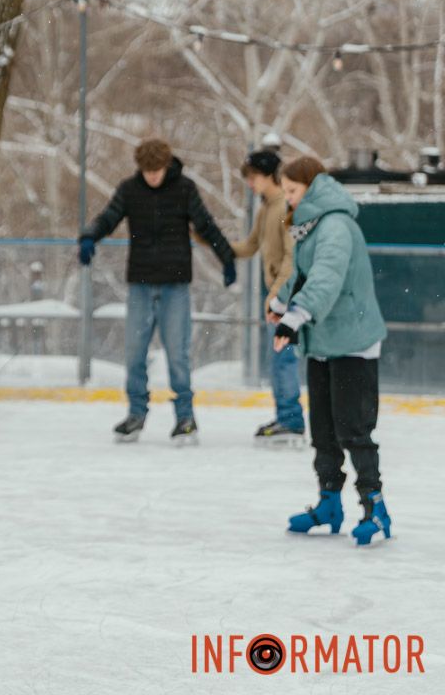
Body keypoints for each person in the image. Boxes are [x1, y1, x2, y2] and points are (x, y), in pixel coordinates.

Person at [78, 137, 236, 445]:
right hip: (140, 282)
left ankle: (185, 417)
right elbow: (109, 217)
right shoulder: (129, 189)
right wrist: (90, 237)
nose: (152, 176)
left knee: (178, 354)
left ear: (166, 165)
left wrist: (226, 258)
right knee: (134, 352)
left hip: (175, 284)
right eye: (147, 171)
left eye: (157, 170)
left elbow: (206, 224)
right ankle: (136, 413)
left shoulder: (185, 189)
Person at [272, 156, 391, 546]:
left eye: (292, 190)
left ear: (311, 186)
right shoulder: (313, 225)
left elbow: (327, 275)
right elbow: (303, 275)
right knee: (323, 429)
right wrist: (280, 307)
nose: (288, 199)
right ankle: (329, 503)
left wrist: (296, 317)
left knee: (353, 428)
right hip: (325, 340)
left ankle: (375, 507)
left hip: (353, 341)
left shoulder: (336, 224)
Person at [231, 149, 306, 444]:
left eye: (254, 177)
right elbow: (249, 247)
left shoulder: (284, 207)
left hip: (286, 296)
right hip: (278, 294)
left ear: (268, 176)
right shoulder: (266, 208)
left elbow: (291, 258)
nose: (250, 183)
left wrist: (276, 297)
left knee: (282, 358)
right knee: (277, 358)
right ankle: (286, 415)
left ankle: (291, 419)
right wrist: (209, 238)